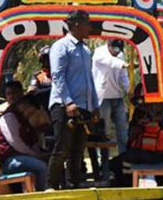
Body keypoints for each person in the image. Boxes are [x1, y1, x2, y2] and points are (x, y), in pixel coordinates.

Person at [47, 10, 98, 190]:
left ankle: (74, 185)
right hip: (63, 106)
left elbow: (89, 79)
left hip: (83, 106)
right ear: (77, 25)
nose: (90, 27)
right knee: (62, 148)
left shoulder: (85, 49)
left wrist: (94, 105)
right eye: (87, 23)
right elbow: (58, 76)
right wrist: (68, 102)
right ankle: (51, 186)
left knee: (77, 150)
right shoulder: (61, 46)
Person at [0, 92, 49, 191]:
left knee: (50, 160)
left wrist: (41, 154)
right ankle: (41, 195)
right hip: (11, 161)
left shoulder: (24, 120)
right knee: (42, 166)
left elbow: (33, 142)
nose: (31, 114)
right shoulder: (9, 117)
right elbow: (16, 144)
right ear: (25, 105)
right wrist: (36, 155)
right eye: (30, 111)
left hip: (23, 157)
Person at [93, 38, 130, 174]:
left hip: (117, 97)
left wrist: (129, 91)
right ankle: (104, 167)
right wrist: (124, 64)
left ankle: (124, 163)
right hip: (103, 99)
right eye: (114, 49)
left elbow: (123, 76)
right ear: (108, 45)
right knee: (105, 135)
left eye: (119, 49)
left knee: (123, 133)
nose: (116, 52)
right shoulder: (99, 53)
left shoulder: (120, 56)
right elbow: (110, 62)